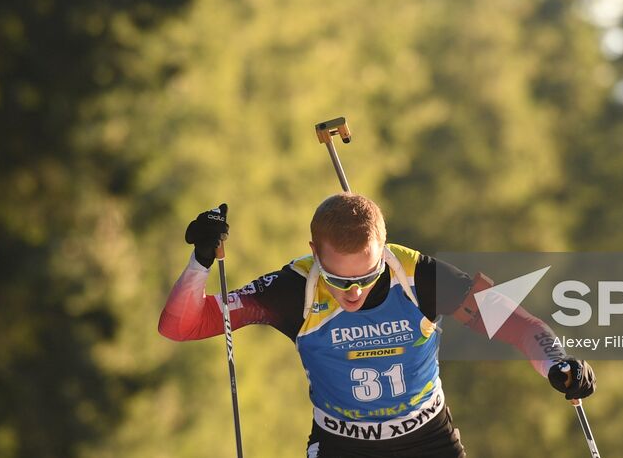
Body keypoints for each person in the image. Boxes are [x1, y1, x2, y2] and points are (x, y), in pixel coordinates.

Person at [159, 194, 596, 457]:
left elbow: (518, 326)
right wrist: (200, 260)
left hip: (428, 442)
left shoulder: (418, 276)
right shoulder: (295, 288)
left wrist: (557, 365)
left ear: (382, 250)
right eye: (338, 279)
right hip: (342, 446)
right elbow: (183, 325)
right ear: (314, 251)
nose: (353, 292)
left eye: (366, 278)